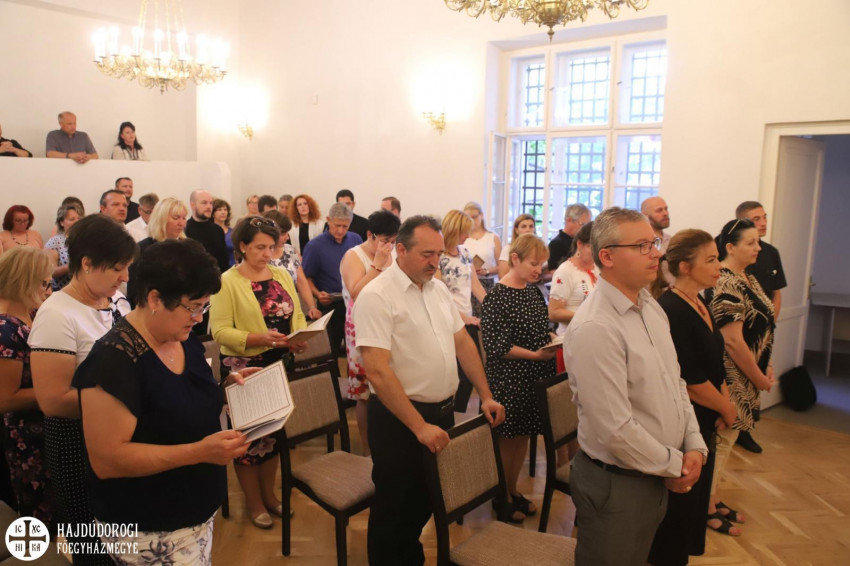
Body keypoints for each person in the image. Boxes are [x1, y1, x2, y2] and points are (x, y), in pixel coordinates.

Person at [73, 239, 250, 564]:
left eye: (204, 307)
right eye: (193, 307)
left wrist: (228, 387)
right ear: (154, 298)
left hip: (193, 513)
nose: (198, 318)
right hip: (148, 527)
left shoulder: (180, 337)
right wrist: (199, 452)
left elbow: (177, 399)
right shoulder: (113, 362)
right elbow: (108, 460)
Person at [353, 215, 505, 565]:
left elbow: (463, 343)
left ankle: (410, 557)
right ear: (400, 250)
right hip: (400, 418)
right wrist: (419, 426)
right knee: (394, 507)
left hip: (440, 412)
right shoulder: (377, 295)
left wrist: (485, 394)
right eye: (426, 254)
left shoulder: (436, 290)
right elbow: (377, 370)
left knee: (425, 498)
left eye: (438, 253)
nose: (435, 262)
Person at [564, 207, 707, 566]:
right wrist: (677, 464)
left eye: (654, 243)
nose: (656, 253)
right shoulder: (596, 327)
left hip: (655, 470)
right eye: (643, 246)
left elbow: (675, 383)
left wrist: (694, 443)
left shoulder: (650, 307)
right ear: (607, 257)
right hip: (619, 484)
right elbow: (614, 429)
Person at [29, 214, 135, 565]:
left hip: (117, 435)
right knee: (92, 543)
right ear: (87, 263)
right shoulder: (57, 314)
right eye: (117, 268)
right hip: (77, 443)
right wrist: (129, 398)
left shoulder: (115, 301)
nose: (125, 277)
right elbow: (53, 400)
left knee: (122, 540)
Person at [209, 216, 308, 530]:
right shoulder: (227, 281)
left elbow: (297, 314)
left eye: (271, 247)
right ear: (242, 246)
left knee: (274, 436)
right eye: (260, 247)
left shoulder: (280, 273)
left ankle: (270, 495)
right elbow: (219, 331)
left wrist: (299, 337)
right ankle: (254, 502)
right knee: (249, 442)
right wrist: (258, 338)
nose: (268, 254)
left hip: (279, 363)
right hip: (245, 368)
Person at [647, 230, 740, 564]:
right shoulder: (671, 309)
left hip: (706, 414)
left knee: (695, 502)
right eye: (711, 260)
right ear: (685, 267)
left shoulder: (700, 301)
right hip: (686, 418)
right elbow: (688, 380)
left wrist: (724, 400)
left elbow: (715, 360)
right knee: (679, 507)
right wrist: (727, 408)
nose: (719, 266)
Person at [481, 233, 556, 523]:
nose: (539, 270)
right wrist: (535, 355)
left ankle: (512, 490)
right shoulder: (497, 297)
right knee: (506, 439)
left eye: (542, 265)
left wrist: (551, 340)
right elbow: (497, 346)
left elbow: (541, 328)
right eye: (534, 264)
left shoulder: (533, 292)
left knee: (523, 434)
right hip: (509, 378)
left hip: (532, 375)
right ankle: (500, 495)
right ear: (515, 259)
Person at [710, 218, 775, 496]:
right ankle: (707, 506)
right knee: (723, 442)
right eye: (751, 243)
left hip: (748, 374)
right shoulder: (726, 281)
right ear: (730, 247)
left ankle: (711, 502)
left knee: (729, 440)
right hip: (733, 377)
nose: (758, 248)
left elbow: (760, 327)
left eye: (758, 242)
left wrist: (766, 363)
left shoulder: (748, 277)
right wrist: (758, 376)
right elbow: (733, 341)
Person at [0, 247, 55, 532]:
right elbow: (5, 398)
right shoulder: (5, 329)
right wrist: (59, 389)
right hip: (25, 436)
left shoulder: (31, 313)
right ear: (24, 281)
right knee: (38, 515)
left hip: (44, 426)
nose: (48, 290)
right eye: (44, 283)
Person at [340, 209, 400, 456]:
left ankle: (387, 445)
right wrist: (377, 265)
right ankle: (366, 448)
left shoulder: (392, 254)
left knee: (388, 384)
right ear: (370, 235)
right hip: (360, 327)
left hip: (388, 324)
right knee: (364, 392)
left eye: (393, 241)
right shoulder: (353, 256)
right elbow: (356, 292)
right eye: (384, 240)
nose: (389, 246)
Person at [435, 210, 487, 413]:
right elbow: (439, 295)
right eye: (465, 232)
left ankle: (460, 414)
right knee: (461, 375)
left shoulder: (465, 252)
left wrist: (492, 306)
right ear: (453, 230)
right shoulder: (438, 256)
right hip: (450, 320)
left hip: (467, 319)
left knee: (471, 373)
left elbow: (476, 286)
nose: (467, 236)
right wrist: (463, 318)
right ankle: (455, 414)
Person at [302, 202, 362, 359]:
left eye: (345, 226)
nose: (340, 230)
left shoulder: (355, 239)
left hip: (353, 303)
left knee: (356, 350)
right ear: (328, 220)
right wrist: (317, 294)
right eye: (337, 225)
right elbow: (305, 278)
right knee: (331, 350)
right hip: (329, 305)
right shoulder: (314, 246)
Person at [127, 197, 189, 307]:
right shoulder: (143, 248)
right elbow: (135, 290)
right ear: (161, 219)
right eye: (176, 218)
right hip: (152, 308)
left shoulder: (189, 248)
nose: (181, 223)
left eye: (184, 218)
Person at [262, 211, 320, 320]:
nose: (287, 237)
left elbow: (301, 281)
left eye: (287, 233)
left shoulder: (289, 250)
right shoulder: (260, 255)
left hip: (291, 311)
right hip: (266, 313)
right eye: (283, 233)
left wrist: (312, 306)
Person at [736, 201, 787, 317]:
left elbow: (776, 292)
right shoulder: (729, 252)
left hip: (765, 320)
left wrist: (772, 323)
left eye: (765, 217)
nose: (764, 223)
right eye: (756, 219)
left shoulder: (771, 252)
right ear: (742, 223)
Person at [462, 201, 502, 318]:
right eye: (468, 217)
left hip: (487, 282)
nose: (472, 220)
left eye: (475, 217)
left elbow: (501, 266)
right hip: (466, 283)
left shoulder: (492, 237)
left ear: (481, 215)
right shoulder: (463, 237)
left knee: (486, 317)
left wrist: (487, 271)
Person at [185, 189, 230, 275]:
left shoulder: (217, 230)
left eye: (211, 203)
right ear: (193, 205)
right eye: (204, 203)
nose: (209, 207)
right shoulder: (185, 230)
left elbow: (224, 262)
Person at [45, 202, 84, 290]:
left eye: (79, 218)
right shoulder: (55, 242)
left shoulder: (87, 239)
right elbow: (50, 271)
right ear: (62, 222)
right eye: (72, 219)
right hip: (63, 290)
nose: (77, 221)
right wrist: (71, 266)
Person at [548, 203, 591, 271]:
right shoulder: (556, 244)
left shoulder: (582, 242)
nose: (585, 229)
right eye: (582, 224)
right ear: (569, 220)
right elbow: (553, 272)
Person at [643, 196, 674, 286]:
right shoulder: (641, 244)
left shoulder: (672, 241)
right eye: (659, 210)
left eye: (666, 209)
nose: (665, 213)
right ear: (645, 215)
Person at [497, 213, 536, 278]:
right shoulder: (508, 249)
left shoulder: (538, 249)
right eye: (524, 227)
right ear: (516, 230)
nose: (528, 230)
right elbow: (502, 275)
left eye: (531, 226)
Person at [213, 198, 236, 267]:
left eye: (225, 210)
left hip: (232, 267)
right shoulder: (210, 232)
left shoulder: (233, 232)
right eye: (219, 210)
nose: (223, 212)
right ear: (213, 213)